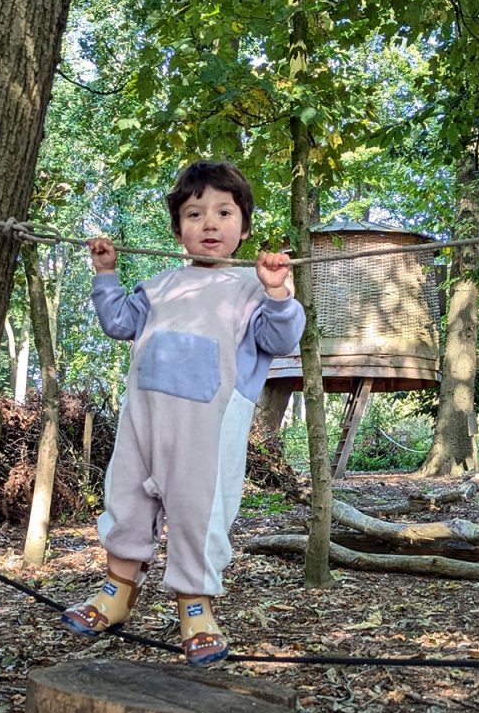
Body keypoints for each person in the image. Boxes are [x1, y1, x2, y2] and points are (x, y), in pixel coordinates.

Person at [61, 160, 306, 666]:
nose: (209, 224)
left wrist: (280, 291)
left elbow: (281, 339)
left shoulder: (253, 289)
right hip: (144, 417)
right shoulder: (159, 284)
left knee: (200, 514)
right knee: (126, 499)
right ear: (178, 229)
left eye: (223, 212)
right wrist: (106, 276)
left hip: (208, 427)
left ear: (244, 226)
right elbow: (119, 323)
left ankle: (196, 608)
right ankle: (116, 593)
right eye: (194, 214)